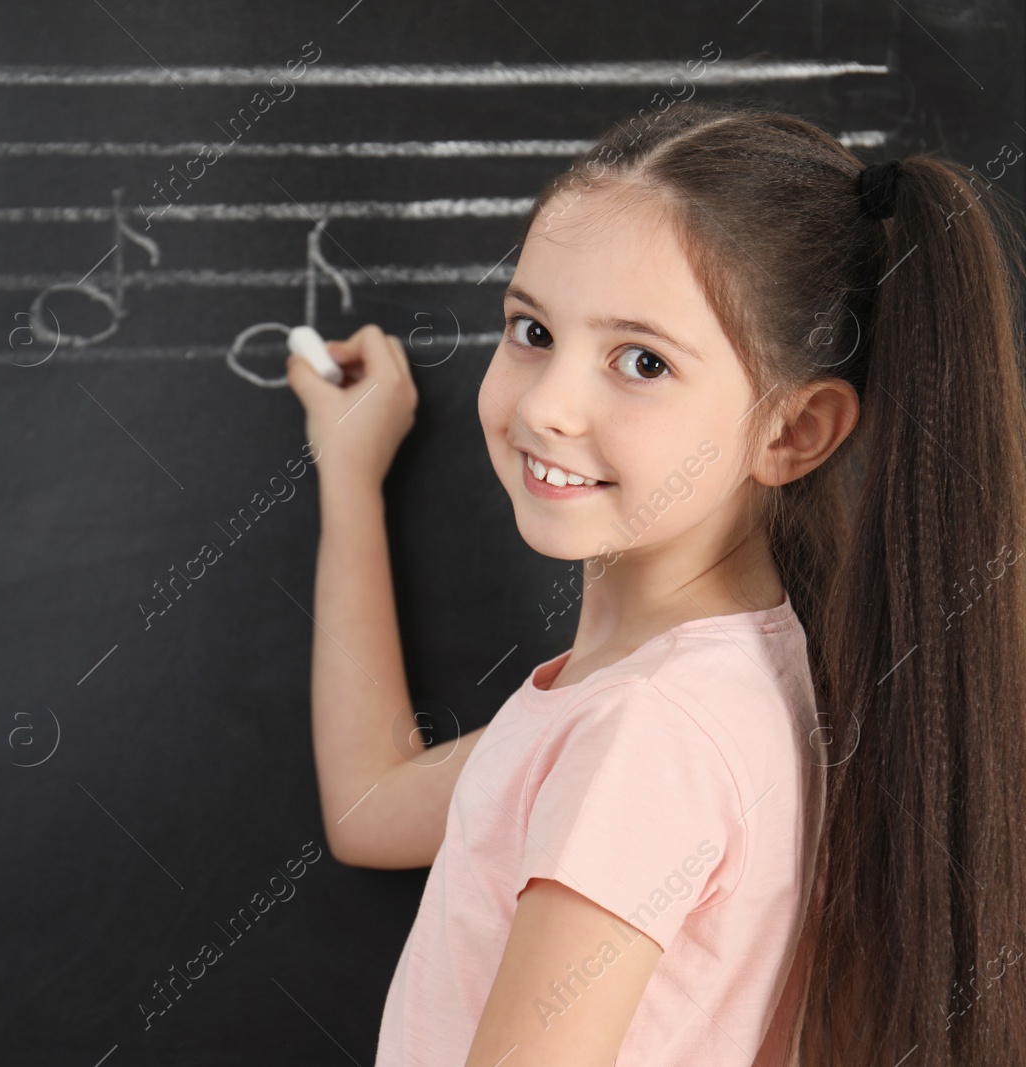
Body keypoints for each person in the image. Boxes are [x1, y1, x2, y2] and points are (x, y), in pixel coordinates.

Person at [285, 100, 1026, 1067]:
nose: (548, 405)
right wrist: (348, 473)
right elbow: (370, 807)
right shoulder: (711, 690)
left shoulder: (648, 735)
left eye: (641, 362)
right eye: (532, 330)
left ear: (791, 432)